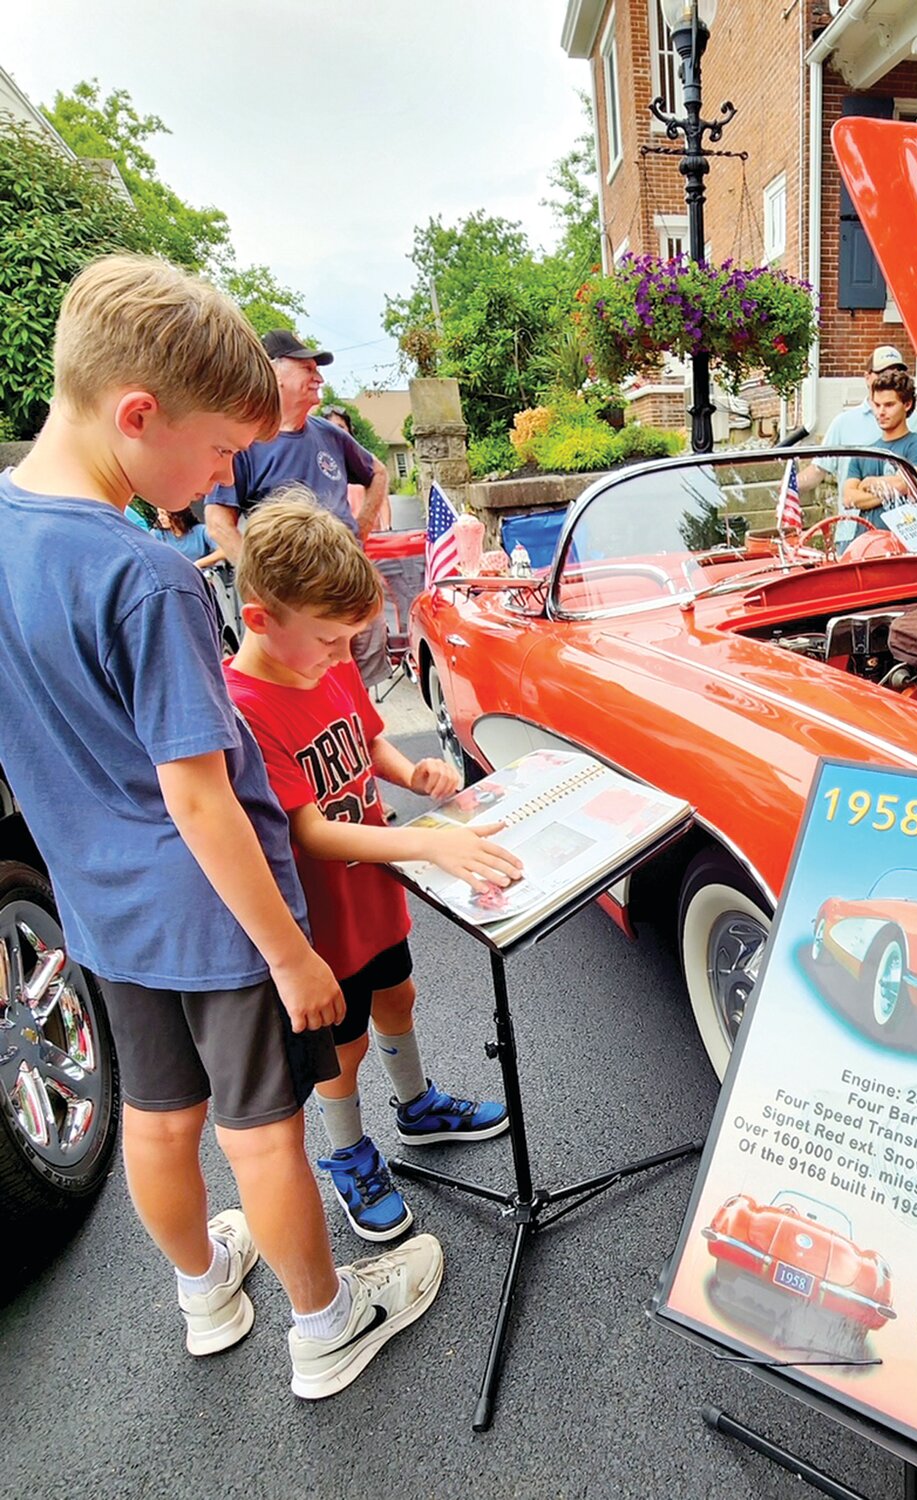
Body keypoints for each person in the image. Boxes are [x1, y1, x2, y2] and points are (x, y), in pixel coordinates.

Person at [0, 254, 443, 1401]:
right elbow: (198, 792)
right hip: (216, 914)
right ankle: (326, 1320)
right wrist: (291, 952)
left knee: (156, 1116)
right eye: (214, 454)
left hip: (101, 912)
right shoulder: (144, 573)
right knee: (260, 1134)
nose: (219, 483)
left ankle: (205, 1292)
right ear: (136, 413)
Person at [224, 494, 523, 1242]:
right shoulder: (245, 706)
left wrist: (410, 776)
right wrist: (427, 842)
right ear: (261, 620)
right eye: (329, 641)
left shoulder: (325, 662)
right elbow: (310, 832)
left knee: (399, 993)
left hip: (375, 889)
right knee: (343, 1043)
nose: (339, 655)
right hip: (322, 911)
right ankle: (349, 1150)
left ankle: (417, 1107)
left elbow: (366, 741)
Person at [203, 330, 390, 684]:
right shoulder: (247, 442)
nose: (318, 377)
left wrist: (357, 532)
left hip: (347, 590)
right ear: (274, 374)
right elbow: (218, 523)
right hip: (297, 612)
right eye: (307, 368)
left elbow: (377, 472)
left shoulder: (330, 435)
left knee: (354, 690)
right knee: (298, 690)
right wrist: (266, 585)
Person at [797, 345, 917, 495]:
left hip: (902, 517)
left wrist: (868, 486)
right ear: (867, 377)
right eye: (883, 372)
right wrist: (789, 488)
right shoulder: (844, 422)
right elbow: (818, 470)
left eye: (897, 372)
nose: (891, 377)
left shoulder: (915, 420)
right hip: (855, 517)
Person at [842, 369, 917, 513]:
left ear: (907, 404)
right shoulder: (863, 453)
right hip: (866, 534)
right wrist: (890, 489)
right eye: (877, 405)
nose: (881, 412)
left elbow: (902, 484)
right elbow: (848, 498)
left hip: (902, 533)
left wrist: (866, 483)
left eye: (889, 405)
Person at [319, 404, 369, 522]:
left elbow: (378, 483)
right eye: (330, 427)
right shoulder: (317, 460)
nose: (335, 432)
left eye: (340, 427)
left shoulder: (360, 460)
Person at [154, 503, 226, 569]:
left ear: (177, 514)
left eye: (163, 514)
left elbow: (224, 551)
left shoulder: (201, 530)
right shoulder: (158, 534)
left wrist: (198, 564)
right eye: (159, 514)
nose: (160, 518)